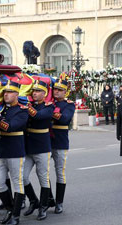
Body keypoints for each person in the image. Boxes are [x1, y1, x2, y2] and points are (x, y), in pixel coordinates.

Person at [0, 81, 28, 225]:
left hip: (15, 151)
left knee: (17, 183)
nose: (5, 95)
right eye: (4, 92)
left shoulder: (22, 110)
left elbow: (9, 127)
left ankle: (15, 216)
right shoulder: (2, 109)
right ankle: (9, 208)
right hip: (0, 151)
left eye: (9, 92)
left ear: (17, 94)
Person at [23, 80, 54, 221]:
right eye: (33, 91)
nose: (34, 93)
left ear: (44, 93)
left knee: (42, 177)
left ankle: (43, 206)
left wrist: (25, 106)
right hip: (29, 147)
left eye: (37, 91)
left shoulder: (48, 107)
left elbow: (37, 116)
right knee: (22, 177)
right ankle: (33, 200)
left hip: (42, 147)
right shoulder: (30, 106)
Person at [50, 78, 75, 214]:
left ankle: (59, 202)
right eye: (55, 89)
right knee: (42, 172)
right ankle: (48, 198)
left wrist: (49, 113)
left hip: (60, 141)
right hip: (47, 141)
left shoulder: (68, 105)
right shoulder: (49, 102)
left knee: (60, 172)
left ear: (65, 92)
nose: (56, 92)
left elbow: (65, 118)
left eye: (60, 90)